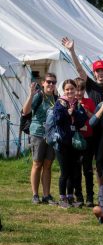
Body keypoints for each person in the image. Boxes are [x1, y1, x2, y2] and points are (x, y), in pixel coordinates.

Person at [22, 72, 58, 205]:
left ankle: (46, 195)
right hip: (37, 133)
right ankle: (35, 195)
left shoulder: (56, 98)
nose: (51, 84)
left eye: (53, 82)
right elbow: (25, 112)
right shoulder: (39, 96)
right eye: (48, 81)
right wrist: (31, 94)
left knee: (48, 165)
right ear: (43, 83)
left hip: (51, 135)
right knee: (37, 164)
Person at [52, 79, 88, 208]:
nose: (70, 91)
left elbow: (83, 119)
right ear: (64, 90)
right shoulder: (60, 103)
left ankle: (70, 197)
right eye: (67, 89)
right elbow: (57, 119)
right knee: (64, 172)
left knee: (73, 171)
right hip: (62, 142)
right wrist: (67, 114)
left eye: (72, 89)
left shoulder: (77, 104)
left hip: (74, 142)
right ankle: (62, 198)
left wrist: (75, 113)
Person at [74, 77, 97, 207]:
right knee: (76, 168)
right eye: (76, 90)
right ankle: (79, 196)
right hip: (76, 139)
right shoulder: (70, 102)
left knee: (87, 168)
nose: (78, 93)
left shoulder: (89, 101)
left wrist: (86, 110)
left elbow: (94, 118)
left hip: (88, 138)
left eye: (81, 90)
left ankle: (89, 196)